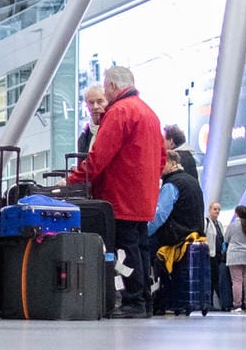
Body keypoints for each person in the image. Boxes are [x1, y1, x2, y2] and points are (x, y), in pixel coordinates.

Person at [61, 65, 162, 318]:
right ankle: (145, 301)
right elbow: (161, 157)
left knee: (125, 250)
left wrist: (73, 180)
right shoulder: (150, 113)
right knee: (140, 247)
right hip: (144, 197)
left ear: (113, 87)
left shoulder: (119, 112)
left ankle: (133, 301)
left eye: (106, 88)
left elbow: (99, 156)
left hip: (121, 195)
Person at [148, 150, 205, 310]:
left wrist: (144, 234)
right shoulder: (193, 182)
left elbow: (159, 215)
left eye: (162, 163)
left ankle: (152, 298)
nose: (158, 167)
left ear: (172, 163)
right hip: (194, 234)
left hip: (176, 236)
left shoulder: (171, 184)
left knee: (142, 248)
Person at [226, 204, 246, 312]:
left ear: (236, 213)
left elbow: (226, 239)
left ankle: (237, 305)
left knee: (237, 281)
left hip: (234, 255)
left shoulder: (232, 226)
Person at [77, 86, 106, 158]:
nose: (95, 106)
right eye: (91, 103)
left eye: (100, 101)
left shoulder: (114, 131)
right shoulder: (84, 137)